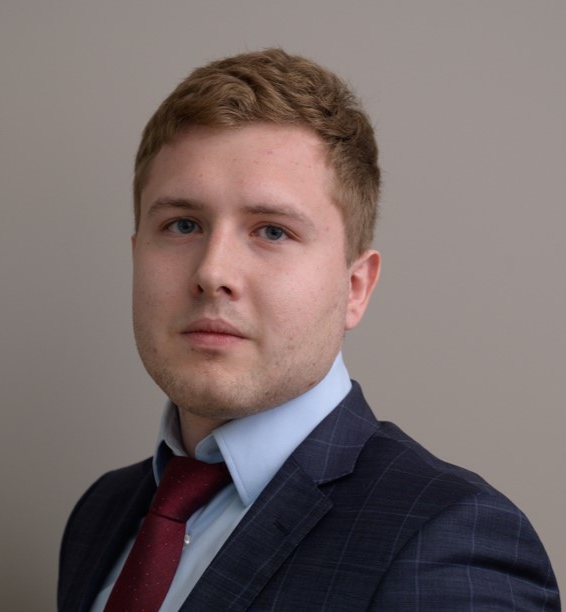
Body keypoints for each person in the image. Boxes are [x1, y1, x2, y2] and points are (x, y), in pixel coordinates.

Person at [58, 49, 560, 611]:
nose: (212, 272)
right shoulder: (101, 514)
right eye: (182, 225)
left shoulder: (451, 541)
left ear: (355, 288)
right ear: (136, 256)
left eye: (272, 231)